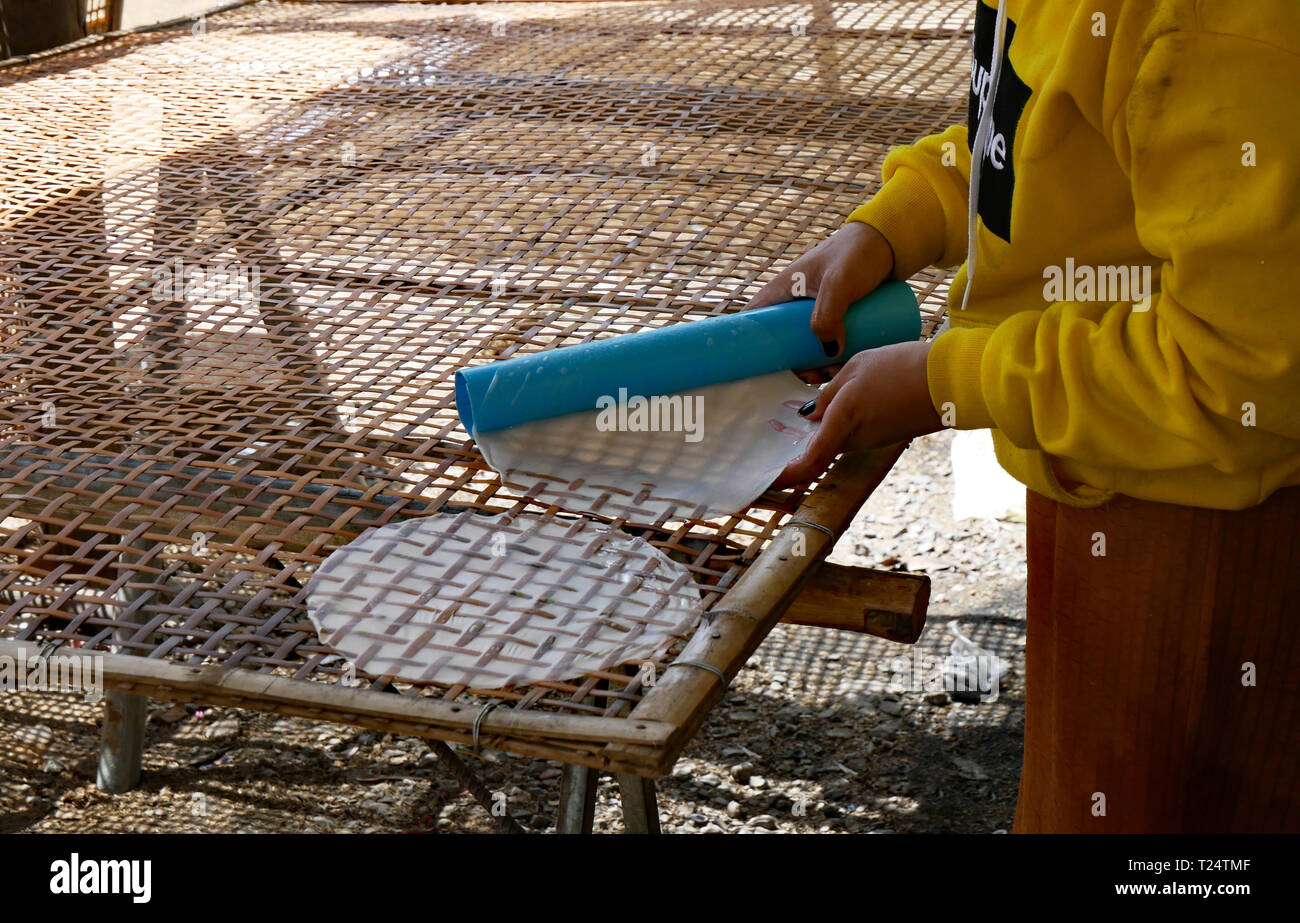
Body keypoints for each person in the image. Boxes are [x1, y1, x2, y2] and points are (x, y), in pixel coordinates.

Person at [749, 0, 1300, 833]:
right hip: (1102, 454)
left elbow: (1240, 375)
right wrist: (899, 219)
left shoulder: (1220, 29)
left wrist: (952, 376)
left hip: (1206, 526)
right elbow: (1031, 127)